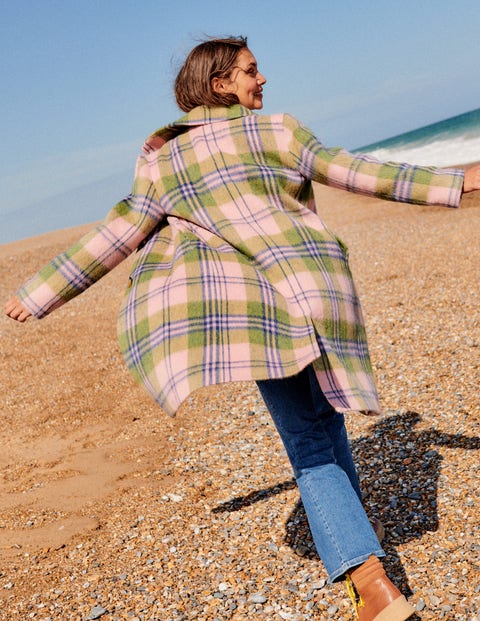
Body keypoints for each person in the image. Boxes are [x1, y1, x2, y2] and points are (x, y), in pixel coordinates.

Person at [5, 36, 480, 621]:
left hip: (252, 312)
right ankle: (365, 564)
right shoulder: (279, 131)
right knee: (322, 419)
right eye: (252, 72)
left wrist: (39, 294)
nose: (263, 80)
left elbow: (119, 234)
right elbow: (354, 172)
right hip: (313, 292)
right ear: (220, 83)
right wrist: (456, 183)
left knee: (308, 439)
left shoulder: (164, 161)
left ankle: (373, 585)